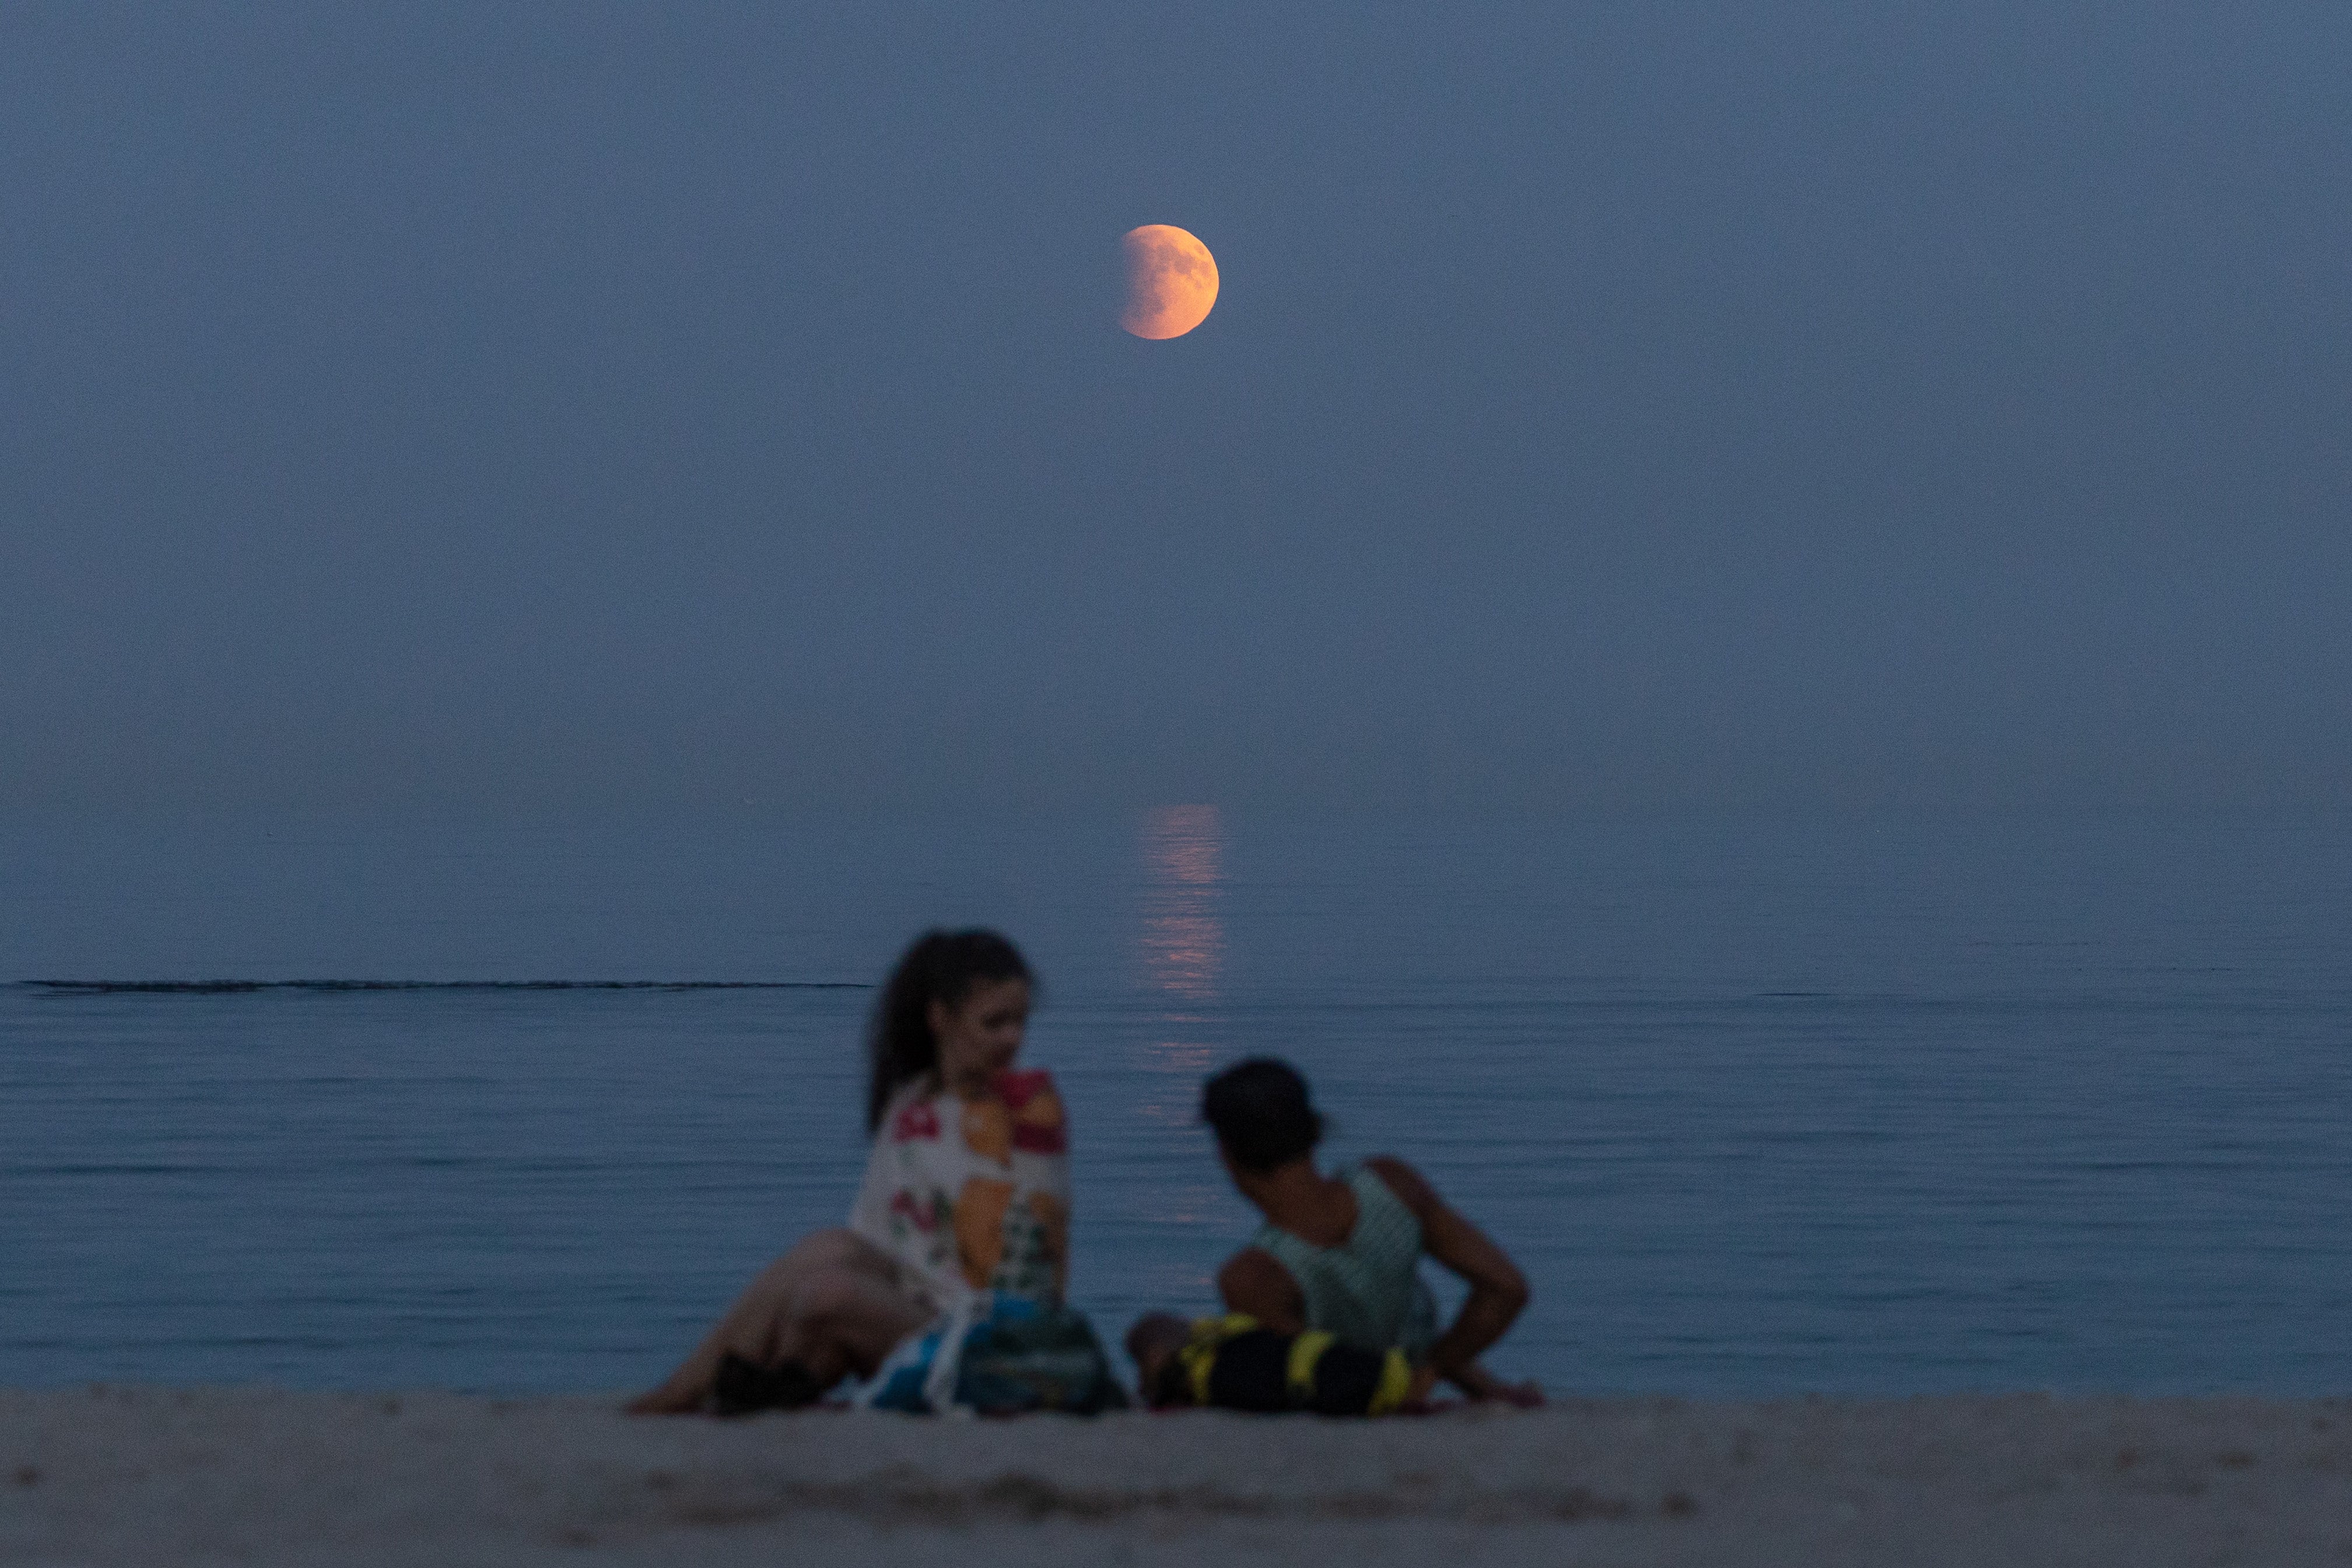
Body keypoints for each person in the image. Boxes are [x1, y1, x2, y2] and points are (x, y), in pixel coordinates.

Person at [628, 929, 1075, 1415]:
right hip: (923, 1318)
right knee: (828, 1250)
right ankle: (729, 1387)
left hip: (997, 1343)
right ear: (940, 1018)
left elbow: (1022, 1267)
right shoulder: (913, 1108)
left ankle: (712, 1393)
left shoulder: (1026, 1113)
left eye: (1019, 1021)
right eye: (994, 1023)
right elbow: (879, 1243)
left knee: (828, 1294)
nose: (1013, 1038)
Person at [1200, 1057, 1541, 1406]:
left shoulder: (1256, 1277)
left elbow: (1315, 1382)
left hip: (1370, 1402)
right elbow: (1505, 1288)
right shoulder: (1390, 1187)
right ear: (1312, 1128)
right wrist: (1434, 1370)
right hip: (1413, 1376)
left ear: (1228, 1154)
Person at [1126, 1310, 1420, 1415]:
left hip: (1335, 1381)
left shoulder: (1206, 1373)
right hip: (1351, 1359)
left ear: (1155, 1356)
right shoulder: (1226, 1332)